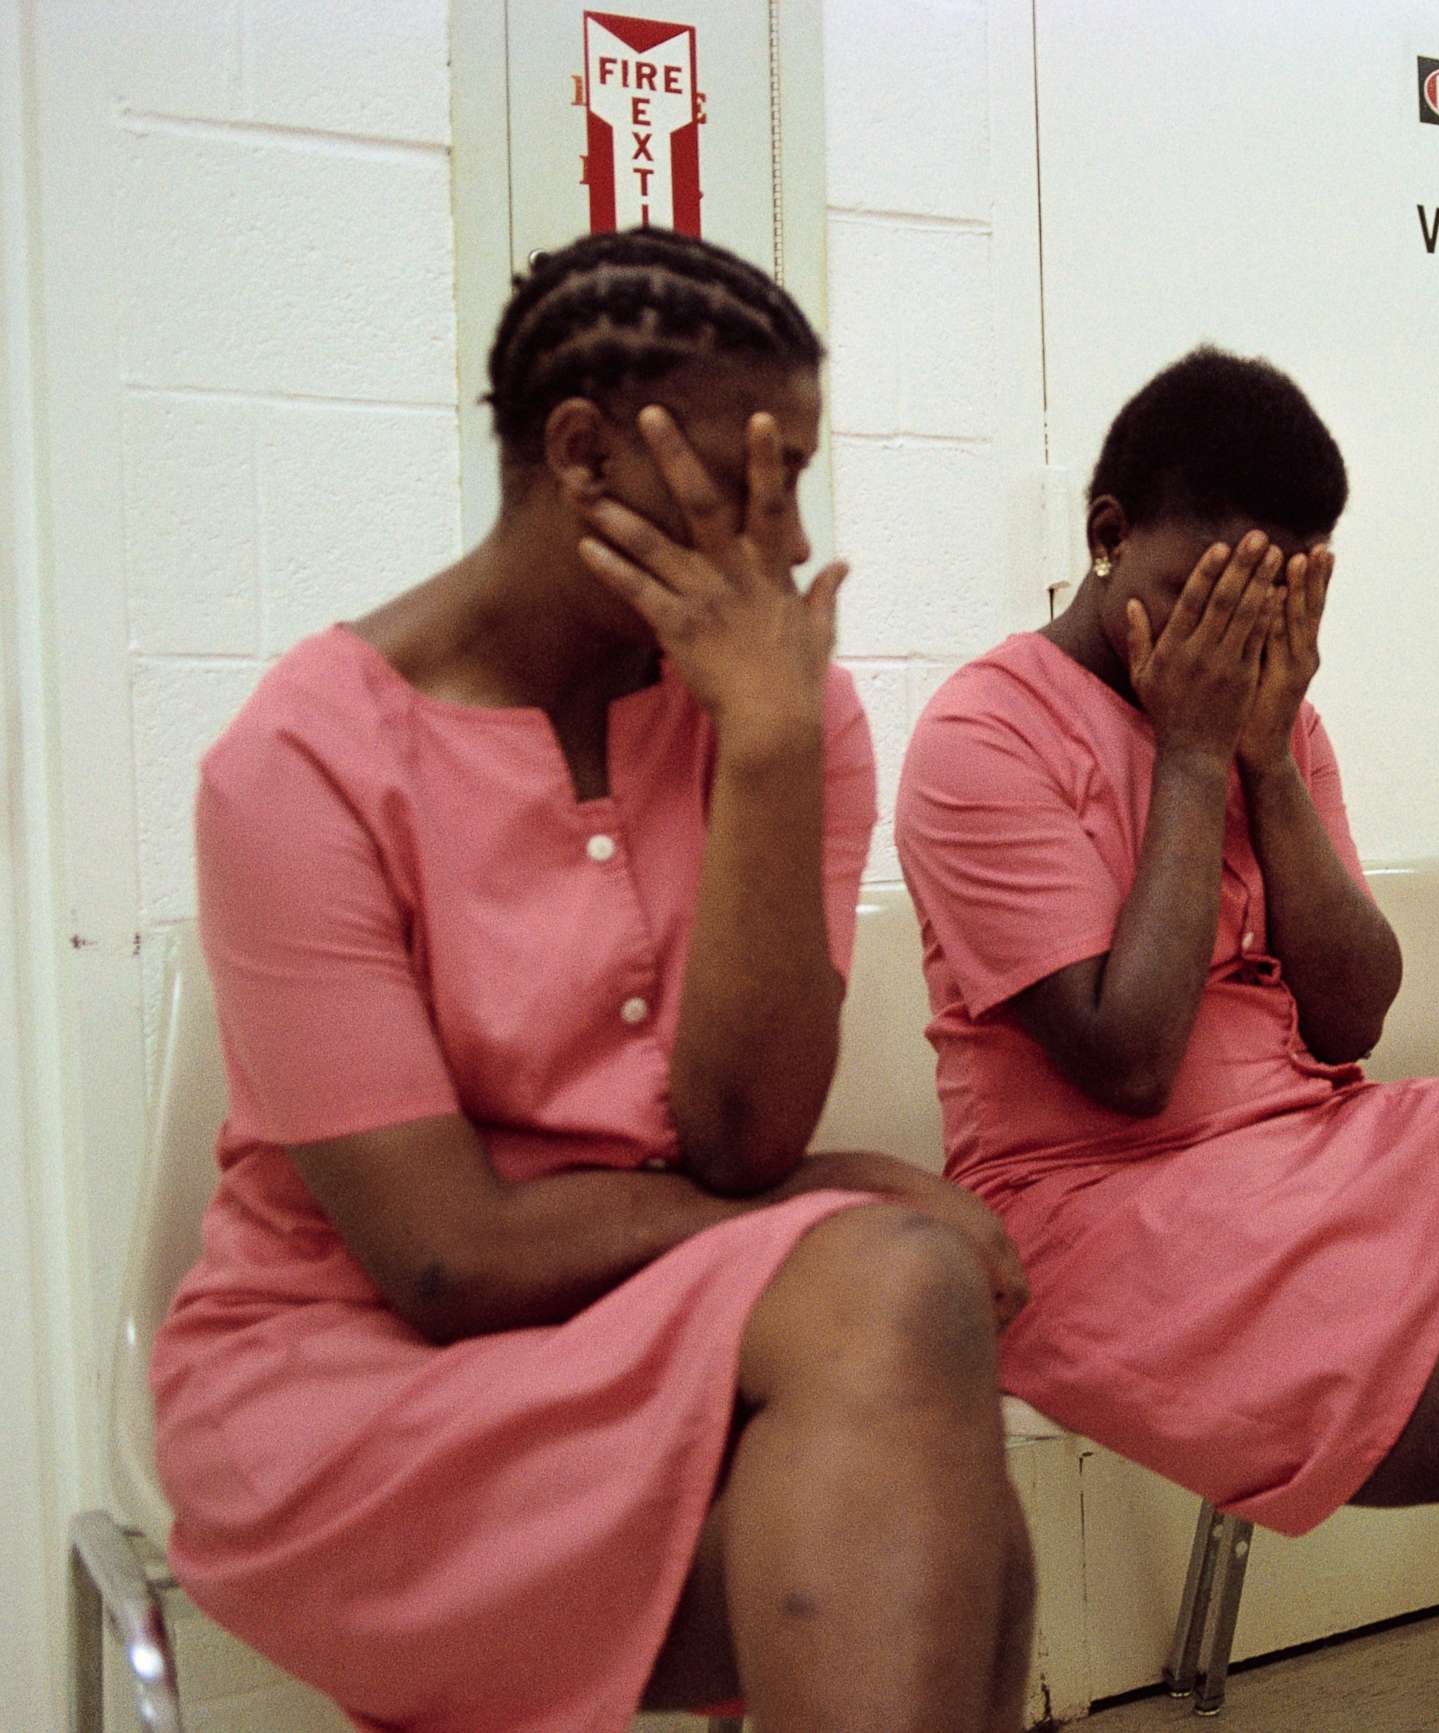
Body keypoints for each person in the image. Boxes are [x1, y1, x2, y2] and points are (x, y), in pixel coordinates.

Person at [152, 227, 1035, 1733]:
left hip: (648, 1305)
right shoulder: (299, 763)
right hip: (354, 1369)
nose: (785, 531)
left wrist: (761, 750)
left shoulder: (780, 719)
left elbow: (740, 1133)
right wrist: (821, 1202)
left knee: (919, 1399)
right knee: (927, 1425)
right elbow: (443, 1256)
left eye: (801, 477)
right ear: (580, 452)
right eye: (756, 471)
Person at [896, 347, 1439, 1732]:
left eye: (1269, 611)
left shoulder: (1266, 721)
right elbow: (1128, 1061)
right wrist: (1187, 754)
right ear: (1106, 536)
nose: (1229, 647)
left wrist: (1269, 757)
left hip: (1305, 1151)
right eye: (1196, 599)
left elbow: (1353, 1014)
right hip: (1096, 1214)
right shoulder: (981, 736)